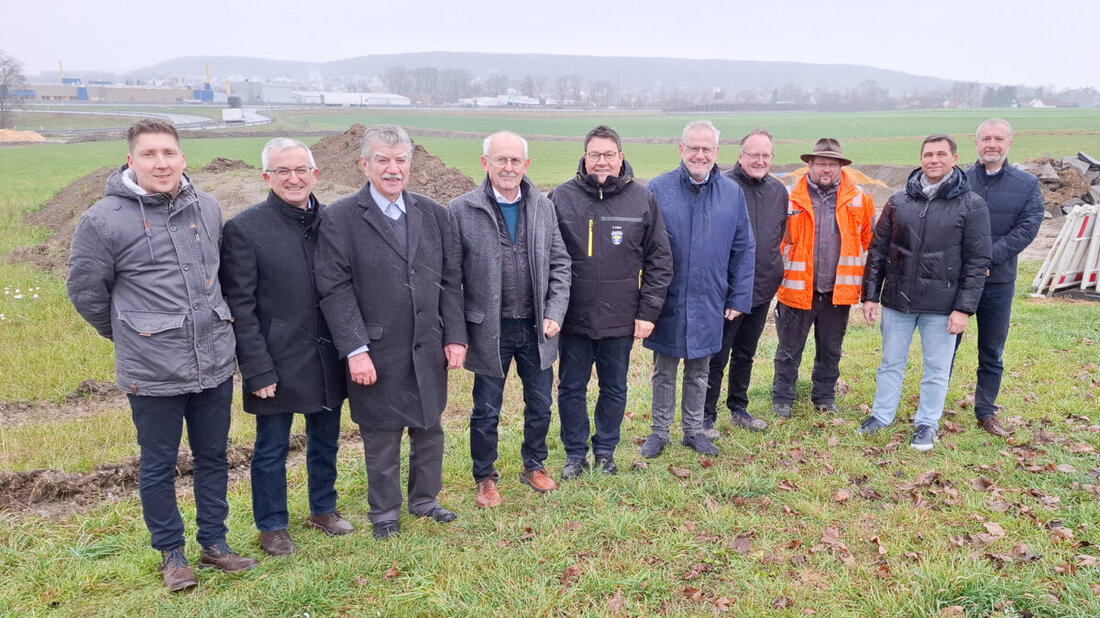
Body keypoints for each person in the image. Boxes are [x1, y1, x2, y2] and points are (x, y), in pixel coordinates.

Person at [67, 118, 257, 591]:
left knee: (214, 457)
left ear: (183, 158)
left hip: (213, 360)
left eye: (169, 153)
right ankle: (172, 555)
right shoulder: (103, 219)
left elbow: (218, 275)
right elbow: (86, 291)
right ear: (131, 160)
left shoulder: (207, 207)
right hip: (152, 369)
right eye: (149, 154)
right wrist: (134, 333)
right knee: (158, 464)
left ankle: (215, 544)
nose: (161, 163)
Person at [314, 124, 467, 539]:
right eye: (383, 159)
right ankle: (384, 513)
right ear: (365, 164)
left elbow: (450, 281)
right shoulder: (341, 217)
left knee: (429, 426)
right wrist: (355, 348)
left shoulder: (434, 214)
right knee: (381, 437)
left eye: (400, 160)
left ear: (410, 165)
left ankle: (425, 500)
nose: (393, 168)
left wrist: (455, 335)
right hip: (376, 349)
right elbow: (334, 288)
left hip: (427, 345)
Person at [220, 138, 353, 557]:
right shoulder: (245, 229)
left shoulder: (332, 221)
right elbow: (240, 306)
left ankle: (323, 509)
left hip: (329, 353)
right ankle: (272, 525)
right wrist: (257, 369)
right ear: (267, 177)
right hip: (276, 357)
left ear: (315, 174)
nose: (293, 179)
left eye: (301, 170)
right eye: (282, 171)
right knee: (272, 447)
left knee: (326, 438)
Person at [447, 131, 571, 507]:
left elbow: (561, 264)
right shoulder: (461, 210)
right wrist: (459, 329)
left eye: (516, 160)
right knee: (486, 408)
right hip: (489, 329)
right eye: (501, 159)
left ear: (526, 165)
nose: (508, 167)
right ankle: (484, 476)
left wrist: (555, 311)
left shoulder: (543, 206)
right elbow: (450, 278)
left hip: (537, 328)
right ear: (485, 163)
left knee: (540, 403)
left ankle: (534, 464)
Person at [550, 125, 672, 479]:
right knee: (572, 387)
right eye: (594, 155)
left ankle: (605, 451)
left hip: (621, 317)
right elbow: (546, 257)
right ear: (584, 158)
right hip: (572, 317)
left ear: (620, 158)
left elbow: (659, 260)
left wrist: (648, 312)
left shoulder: (642, 199)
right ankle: (575, 454)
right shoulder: (562, 197)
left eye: (608, 154)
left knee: (614, 387)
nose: (601, 161)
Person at [860, 134, 991, 451]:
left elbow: (977, 262)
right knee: (891, 361)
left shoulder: (971, 205)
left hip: (942, 306)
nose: (934, 159)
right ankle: (882, 414)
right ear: (921, 159)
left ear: (954, 159)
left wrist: (964, 308)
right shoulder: (898, 200)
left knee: (936, 367)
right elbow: (878, 250)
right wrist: (870, 295)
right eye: (928, 154)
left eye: (941, 154)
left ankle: (926, 424)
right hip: (897, 301)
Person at [639, 120, 755, 458]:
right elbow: (642, 247)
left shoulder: (732, 193)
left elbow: (744, 247)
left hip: (710, 295)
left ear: (716, 152)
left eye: (706, 149)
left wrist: (738, 296)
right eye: (693, 148)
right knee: (664, 368)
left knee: (700, 367)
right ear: (681, 150)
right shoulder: (658, 189)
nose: (699, 154)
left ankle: (693, 429)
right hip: (668, 296)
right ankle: (659, 432)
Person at [771, 138, 876, 418]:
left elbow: (868, 239)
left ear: (841, 167)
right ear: (810, 164)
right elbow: (775, 241)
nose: (826, 169)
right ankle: (782, 398)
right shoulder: (788, 197)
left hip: (837, 292)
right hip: (796, 289)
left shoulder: (860, 199)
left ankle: (824, 397)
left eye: (832, 164)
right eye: (821, 163)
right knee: (788, 350)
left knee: (831, 349)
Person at [954, 119, 1044, 438]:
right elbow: (947, 224)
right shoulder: (959, 180)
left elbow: (1028, 227)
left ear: (1009, 144)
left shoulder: (1026, 184)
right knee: (945, 345)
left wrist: (990, 257)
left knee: (992, 350)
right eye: (985, 138)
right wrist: (972, 261)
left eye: (998, 139)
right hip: (961, 281)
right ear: (976, 143)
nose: (991, 144)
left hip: (999, 280)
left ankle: (986, 411)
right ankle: (932, 409)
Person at [702, 129, 788, 436]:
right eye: (754, 155)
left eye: (766, 155)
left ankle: (738, 407)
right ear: (741, 156)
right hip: (725, 292)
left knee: (745, 353)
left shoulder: (779, 190)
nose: (760, 161)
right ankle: (705, 415)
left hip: (762, 288)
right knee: (717, 354)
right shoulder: (721, 187)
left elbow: (777, 236)